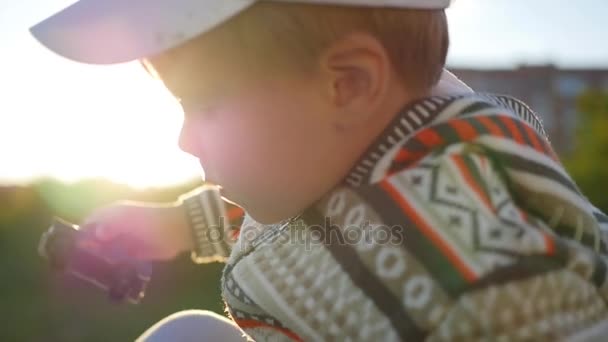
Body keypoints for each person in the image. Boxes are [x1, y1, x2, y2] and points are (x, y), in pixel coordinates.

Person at [31, 0, 608, 341]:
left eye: (203, 105)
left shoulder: (473, 267)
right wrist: (176, 224)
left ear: (349, 83)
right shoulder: (359, 146)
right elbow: (313, 213)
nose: (185, 140)